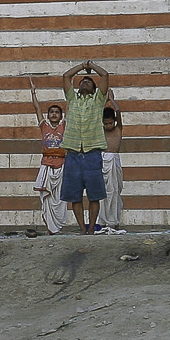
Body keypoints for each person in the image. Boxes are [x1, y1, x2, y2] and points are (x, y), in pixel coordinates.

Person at [61, 61, 113, 234]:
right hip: (73, 155)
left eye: (89, 82)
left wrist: (92, 65)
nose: (84, 82)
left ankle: (91, 228)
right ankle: (82, 228)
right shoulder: (72, 99)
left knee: (94, 195)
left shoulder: (98, 101)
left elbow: (105, 76)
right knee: (75, 196)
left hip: (92, 154)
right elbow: (66, 76)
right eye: (82, 81)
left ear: (94, 89)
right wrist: (82, 66)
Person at [28, 79, 71, 234]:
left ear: (60, 115)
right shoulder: (44, 126)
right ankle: (50, 228)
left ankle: (58, 227)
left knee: (60, 198)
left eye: (57, 112)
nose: (54, 114)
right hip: (46, 164)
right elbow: (36, 108)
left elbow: (70, 106)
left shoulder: (64, 125)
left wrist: (69, 89)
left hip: (61, 164)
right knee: (46, 198)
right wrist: (33, 92)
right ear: (48, 115)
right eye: (51, 112)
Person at [99, 101, 126, 232]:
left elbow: (119, 111)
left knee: (115, 191)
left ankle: (115, 222)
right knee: (104, 192)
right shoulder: (100, 131)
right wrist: (104, 101)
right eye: (106, 123)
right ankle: (103, 222)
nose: (109, 126)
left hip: (115, 161)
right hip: (102, 160)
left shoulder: (118, 129)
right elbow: (97, 116)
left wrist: (112, 100)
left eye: (111, 123)